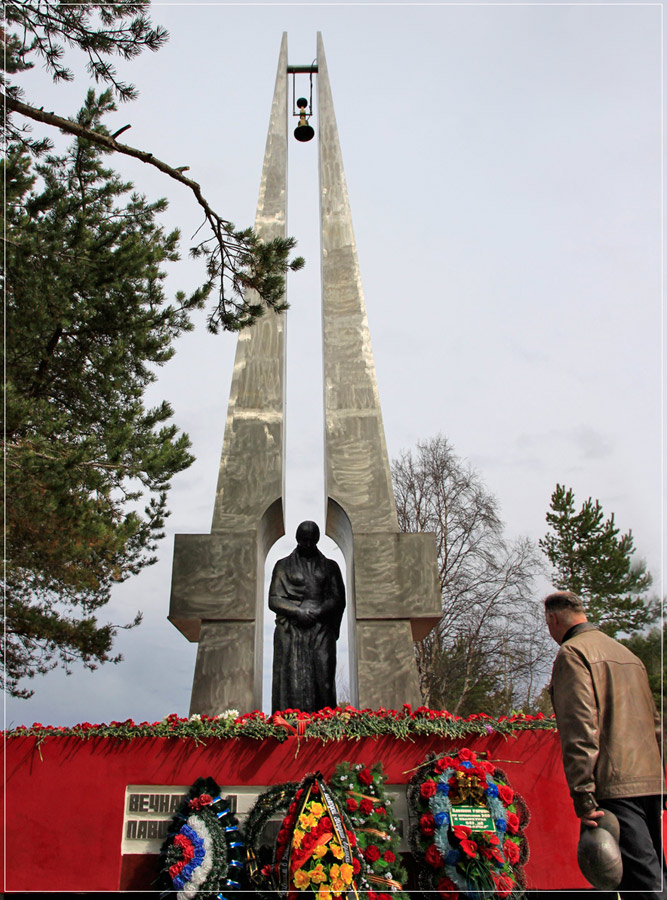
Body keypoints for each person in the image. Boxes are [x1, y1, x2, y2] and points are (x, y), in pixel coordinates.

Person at [545, 590, 665, 898]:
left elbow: (580, 730)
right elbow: (656, 725)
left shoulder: (573, 654)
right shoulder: (629, 656)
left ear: (553, 619)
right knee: (654, 875)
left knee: (643, 885)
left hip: (614, 785)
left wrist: (584, 797)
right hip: (649, 782)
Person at [269, 521, 345, 713]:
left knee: (324, 681)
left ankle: (325, 729)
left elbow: (338, 599)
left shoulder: (330, 567)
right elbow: (274, 599)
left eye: (312, 540)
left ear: (317, 540)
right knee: (291, 680)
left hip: (321, 630)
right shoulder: (283, 565)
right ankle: (288, 726)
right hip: (291, 630)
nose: (308, 544)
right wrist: (298, 612)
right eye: (304, 540)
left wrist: (317, 612)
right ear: (297, 539)